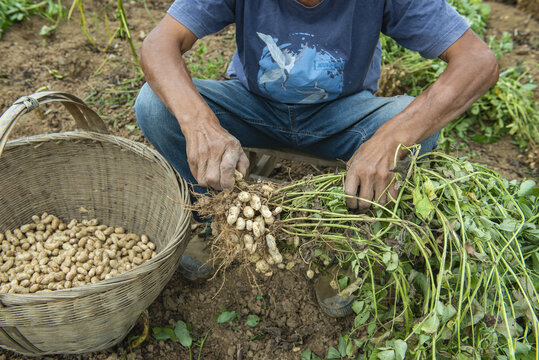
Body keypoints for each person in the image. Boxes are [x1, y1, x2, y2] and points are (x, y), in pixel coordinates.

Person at [134, 0, 498, 313]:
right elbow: (158, 45)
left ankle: (349, 243)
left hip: (343, 118)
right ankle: (222, 216)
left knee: (418, 133)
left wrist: (390, 138)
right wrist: (200, 124)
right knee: (155, 106)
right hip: (253, 108)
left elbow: (477, 60)